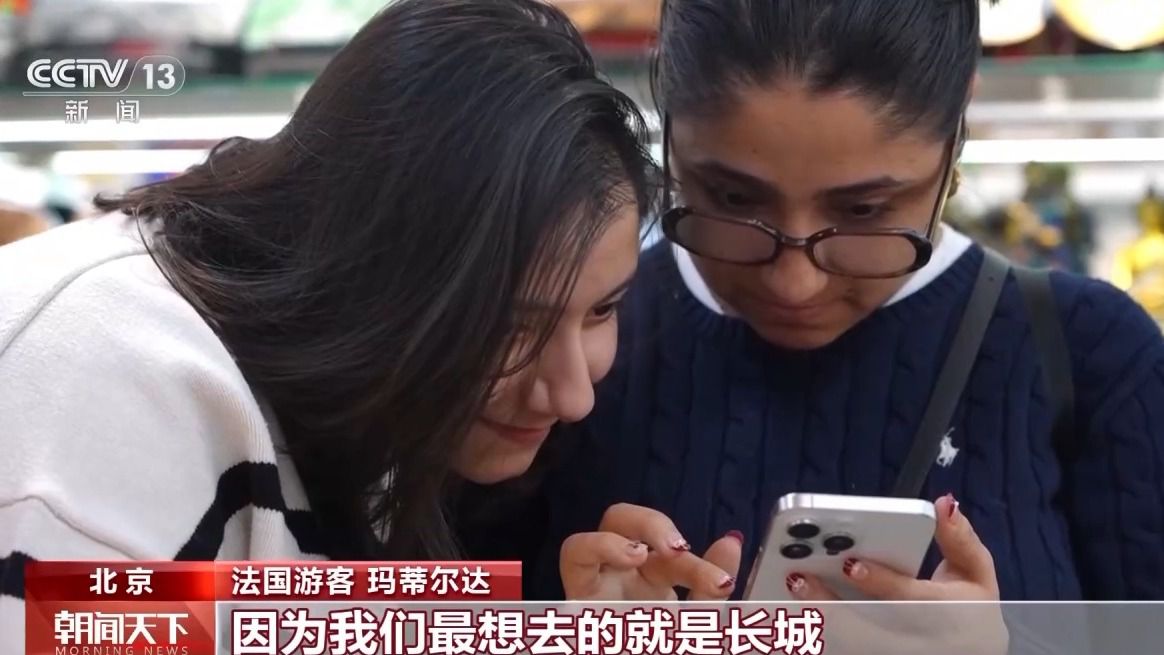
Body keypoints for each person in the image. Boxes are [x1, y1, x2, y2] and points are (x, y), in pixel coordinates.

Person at [0, 0, 743, 640]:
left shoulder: (367, 399)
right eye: (510, 326)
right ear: (373, 263)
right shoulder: (105, 398)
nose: (574, 395)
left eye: (602, 309)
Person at [519, 0, 1164, 602]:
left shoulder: (1096, 359)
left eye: (863, 211)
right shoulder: (564, 351)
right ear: (667, 110)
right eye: (734, 200)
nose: (795, 284)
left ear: (956, 131)